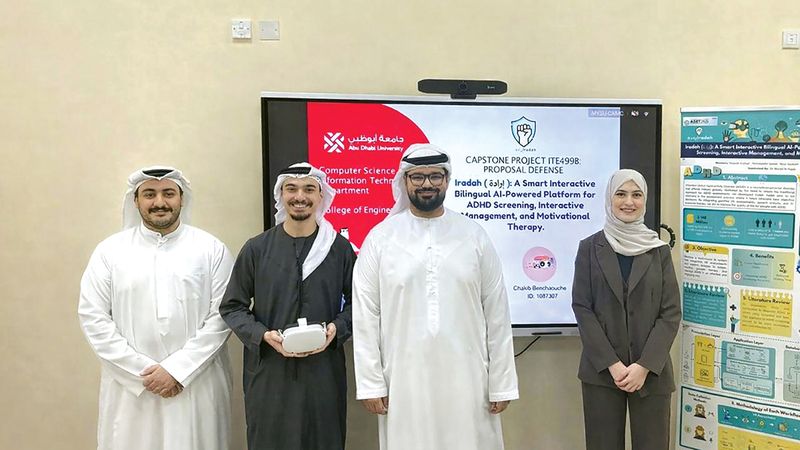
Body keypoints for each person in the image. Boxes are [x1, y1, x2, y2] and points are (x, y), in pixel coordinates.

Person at [352, 143, 519, 450]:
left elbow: (496, 311)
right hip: (404, 378)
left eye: (435, 176)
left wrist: (501, 381)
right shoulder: (380, 238)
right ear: (404, 181)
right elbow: (365, 315)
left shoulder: (474, 235)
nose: (426, 184)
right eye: (418, 177)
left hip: (468, 377)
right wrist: (371, 382)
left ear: (447, 180)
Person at [78, 166, 234, 450]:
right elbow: (94, 318)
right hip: (132, 389)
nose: (159, 202)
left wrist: (177, 370)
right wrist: (143, 372)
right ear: (135, 200)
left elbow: (222, 316)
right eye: (149, 194)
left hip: (196, 384)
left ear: (181, 199)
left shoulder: (211, 249)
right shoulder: (109, 252)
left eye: (168, 193)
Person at [220, 162, 355, 450]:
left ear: (321, 196)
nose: (299, 196)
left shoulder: (339, 249)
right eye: (291, 189)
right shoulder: (257, 249)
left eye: (309, 189)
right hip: (270, 373)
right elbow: (232, 306)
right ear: (280, 195)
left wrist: (337, 328)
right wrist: (262, 335)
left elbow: (359, 305)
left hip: (323, 374)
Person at [571, 169, 681, 450]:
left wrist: (643, 366)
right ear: (610, 198)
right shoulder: (589, 248)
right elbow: (582, 308)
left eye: (636, 194)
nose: (628, 202)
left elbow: (670, 313)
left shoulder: (658, 250)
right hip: (602, 373)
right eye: (621, 194)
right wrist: (613, 364)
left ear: (645, 200)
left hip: (651, 373)